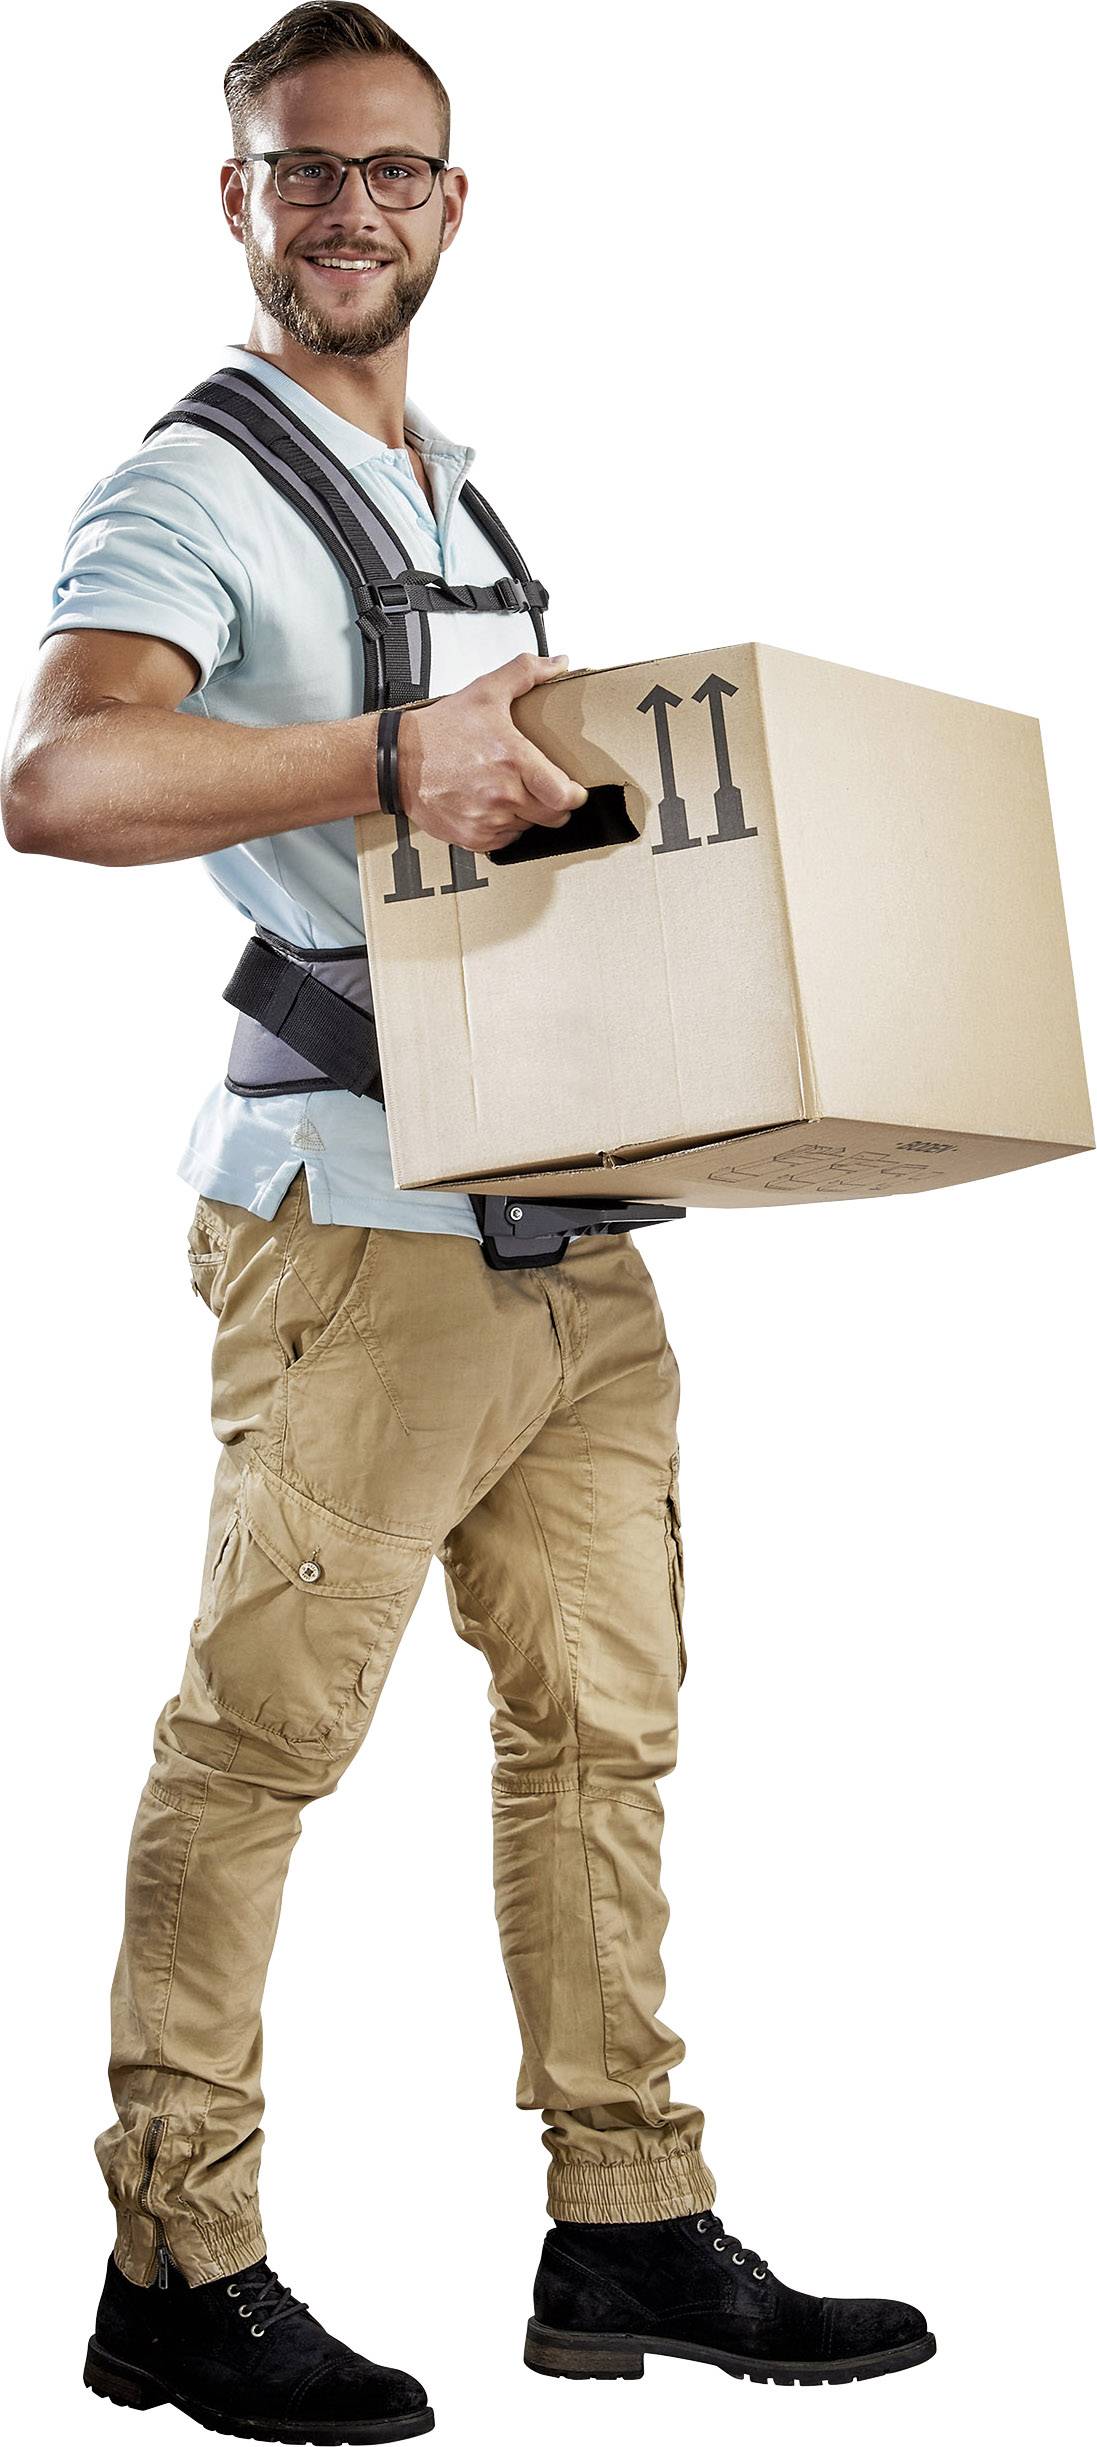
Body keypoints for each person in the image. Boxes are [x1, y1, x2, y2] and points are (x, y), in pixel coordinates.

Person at [1, 6, 934, 2434]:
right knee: (262, 1743)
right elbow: (67, 772)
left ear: (451, 202)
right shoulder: (187, 491)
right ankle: (174, 2266)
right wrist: (378, 750)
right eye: (302, 176)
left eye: (391, 176)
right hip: (349, 1229)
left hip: (562, 1226)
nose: (348, 215)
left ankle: (624, 2217)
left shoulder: (469, 493)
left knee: (608, 1726)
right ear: (236, 198)